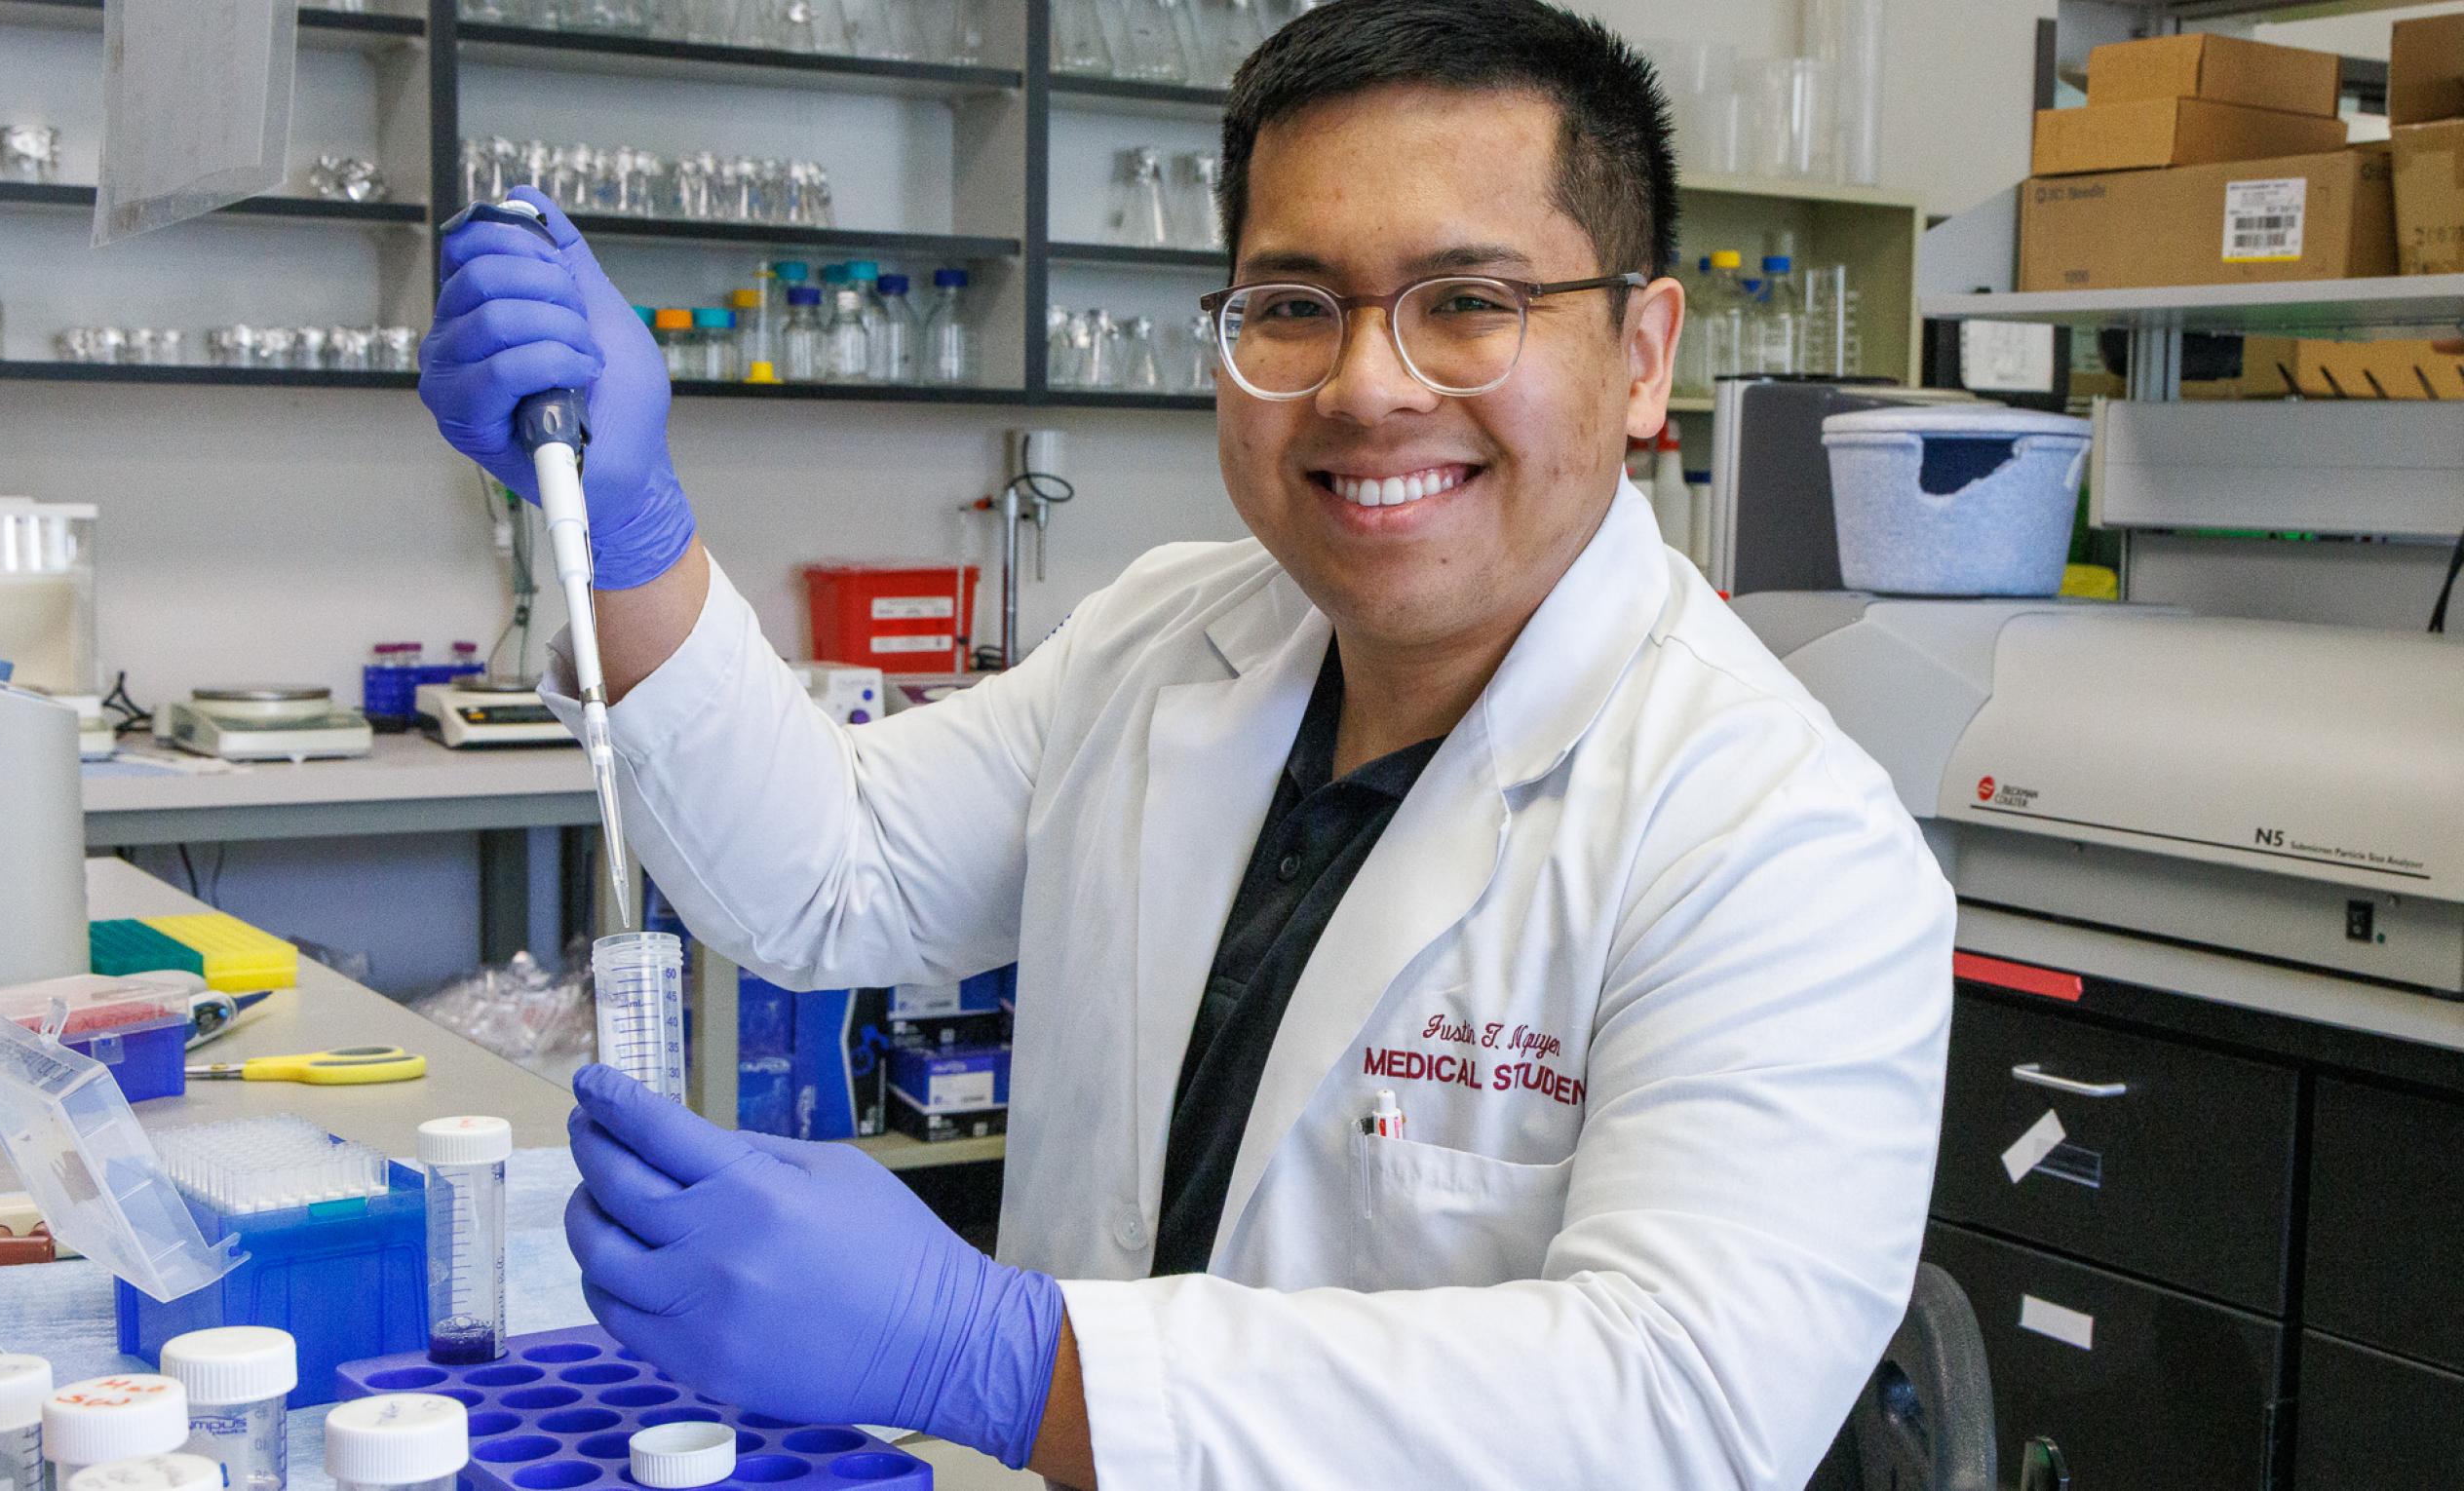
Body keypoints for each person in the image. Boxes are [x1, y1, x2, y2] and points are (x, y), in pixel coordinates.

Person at [416, 0, 1954, 1484]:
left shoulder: (1780, 833)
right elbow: (832, 872)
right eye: (1294, 307)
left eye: (1469, 303)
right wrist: (624, 525)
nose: (1367, 385)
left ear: (1640, 353)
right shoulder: (1173, 638)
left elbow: (1674, 1411)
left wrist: (1001, 1360)